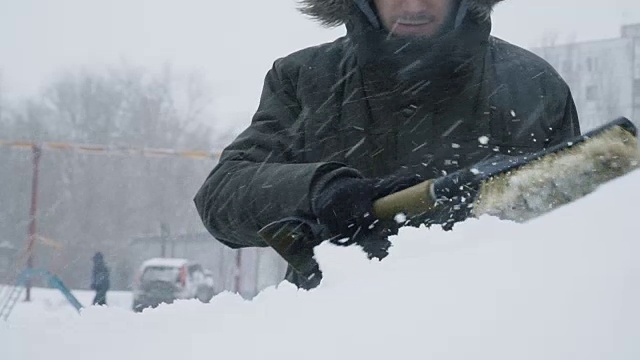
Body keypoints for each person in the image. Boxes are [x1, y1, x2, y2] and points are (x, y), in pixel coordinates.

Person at [194, 0, 580, 289]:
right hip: (326, 331)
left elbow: (573, 233)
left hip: (489, 328)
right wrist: (321, 191)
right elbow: (221, 197)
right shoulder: (305, 80)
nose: (413, 5)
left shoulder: (534, 87)